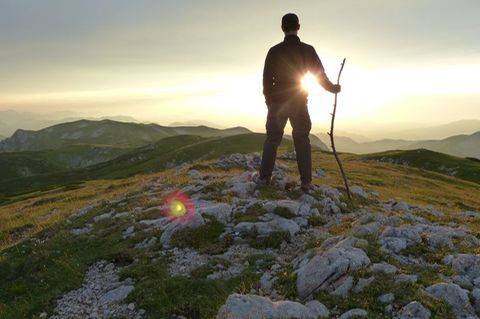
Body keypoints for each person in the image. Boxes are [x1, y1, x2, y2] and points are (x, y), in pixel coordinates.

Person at [257, 13, 341, 191]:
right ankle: (306, 183)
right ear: (299, 27)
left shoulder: (274, 51)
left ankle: (264, 180)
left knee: (272, 139)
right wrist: (333, 88)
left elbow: (266, 79)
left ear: (282, 28)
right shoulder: (308, 50)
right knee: (302, 139)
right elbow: (319, 76)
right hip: (298, 101)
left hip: (277, 102)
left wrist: (269, 100)